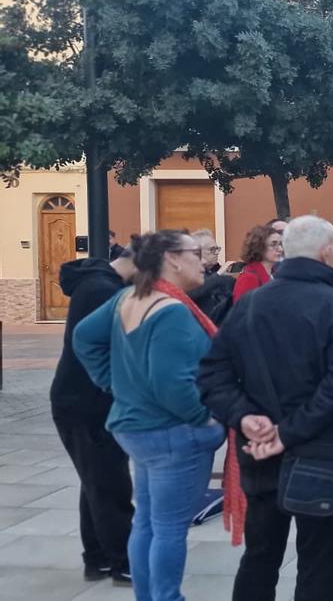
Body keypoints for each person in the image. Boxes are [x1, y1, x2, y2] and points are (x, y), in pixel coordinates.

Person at [199, 216, 333, 601]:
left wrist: (245, 417)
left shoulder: (250, 304)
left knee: (260, 556)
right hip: (321, 451)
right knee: (319, 562)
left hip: (260, 450)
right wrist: (286, 433)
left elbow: (211, 374)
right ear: (327, 252)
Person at [73, 230, 227, 601]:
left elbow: (83, 336)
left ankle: (148, 595)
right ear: (172, 259)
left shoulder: (129, 297)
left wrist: (116, 385)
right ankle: (166, 597)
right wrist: (205, 419)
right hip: (173, 433)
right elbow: (171, 383)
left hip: (140, 431)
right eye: (196, 252)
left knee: (147, 522)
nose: (203, 260)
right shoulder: (171, 310)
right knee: (169, 528)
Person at [51, 252, 138, 586]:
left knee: (97, 483)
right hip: (87, 404)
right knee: (110, 485)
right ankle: (122, 562)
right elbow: (103, 345)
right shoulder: (103, 290)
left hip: (82, 400)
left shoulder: (98, 283)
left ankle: (99, 559)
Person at [188, 229, 236, 326]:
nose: (216, 253)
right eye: (212, 250)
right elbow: (193, 292)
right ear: (197, 252)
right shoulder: (189, 272)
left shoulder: (217, 270)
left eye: (217, 249)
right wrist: (218, 275)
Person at [232, 225, 283, 302]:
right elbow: (242, 307)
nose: (280, 249)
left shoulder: (276, 273)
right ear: (259, 247)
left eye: (280, 244)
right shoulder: (248, 278)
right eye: (273, 245)